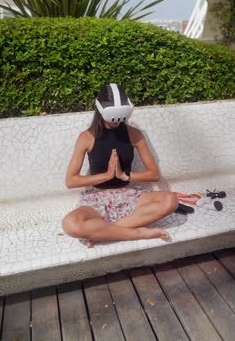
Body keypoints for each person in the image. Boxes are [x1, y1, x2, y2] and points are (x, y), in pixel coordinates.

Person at [61, 83, 189, 248]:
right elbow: (71, 181)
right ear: (101, 111)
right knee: (70, 224)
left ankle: (103, 233)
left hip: (128, 196)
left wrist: (124, 175)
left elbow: (154, 174)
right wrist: (106, 176)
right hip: (96, 200)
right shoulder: (86, 137)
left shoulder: (134, 134)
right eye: (112, 118)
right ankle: (138, 233)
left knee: (171, 201)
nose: (116, 123)